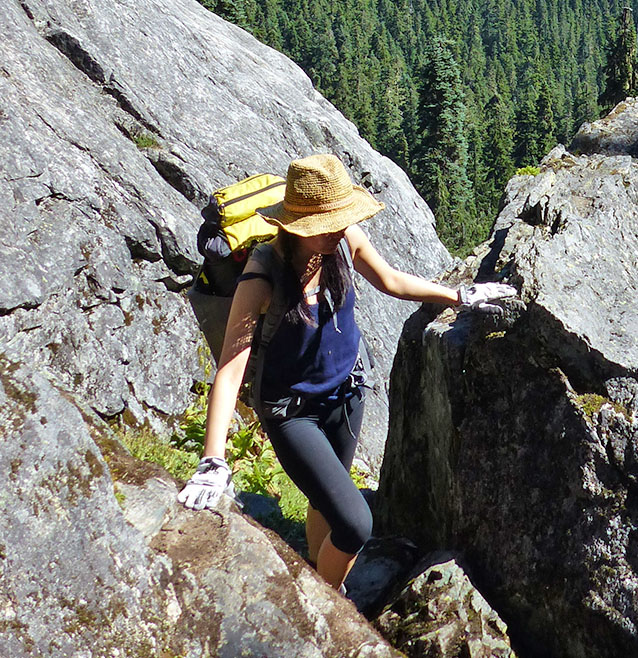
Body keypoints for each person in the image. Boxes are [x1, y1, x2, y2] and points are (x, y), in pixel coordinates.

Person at [176, 154, 514, 591]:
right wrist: (213, 459)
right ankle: (326, 601)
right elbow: (230, 368)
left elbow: (390, 280)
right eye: (329, 223)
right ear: (299, 225)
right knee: (355, 524)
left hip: (347, 393)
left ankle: (320, 576)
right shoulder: (263, 274)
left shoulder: (342, 239)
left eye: (342, 219)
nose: (340, 228)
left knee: (325, 504)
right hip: (293, 413)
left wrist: (457, 295)